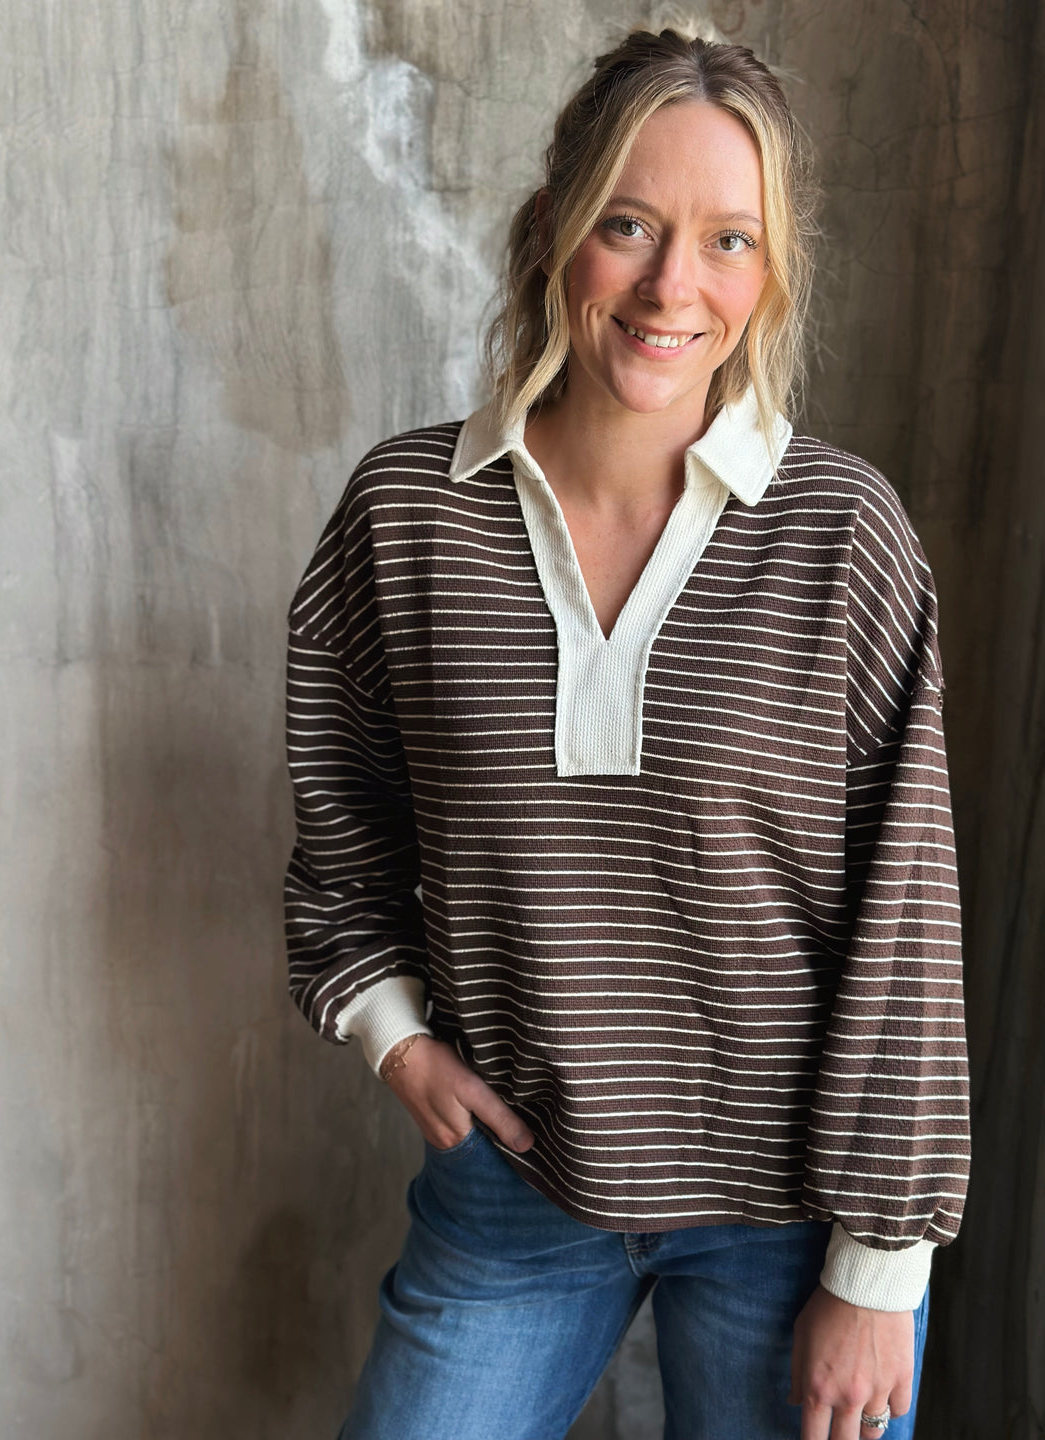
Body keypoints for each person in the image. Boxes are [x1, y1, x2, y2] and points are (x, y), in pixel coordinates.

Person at [283, 27, 970, 1440]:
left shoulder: (845, 535)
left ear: (771, 273)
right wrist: (392, 1032)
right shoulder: (407, 515)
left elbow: (907, 925)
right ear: (554, 235)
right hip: (513, 1194)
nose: (674, 287)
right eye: (629, 227)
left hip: (788, 1223)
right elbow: (343, 810)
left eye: (729, 240)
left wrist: (878, 1272)